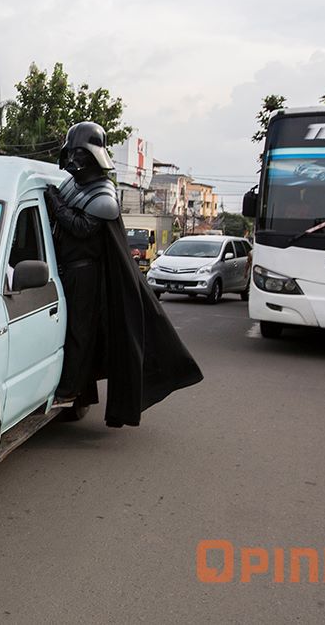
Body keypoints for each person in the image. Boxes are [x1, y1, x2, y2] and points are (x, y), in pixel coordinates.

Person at [43, 122, 203, 428]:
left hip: (85, 275)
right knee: (65, 331)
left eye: (79, 152)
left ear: (91, 155)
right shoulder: (72, 185)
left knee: (78, 332)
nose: (73, 159)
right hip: (65, 270)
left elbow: (81, 228)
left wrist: (57, 204)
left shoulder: (103, 195)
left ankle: (70, 387)